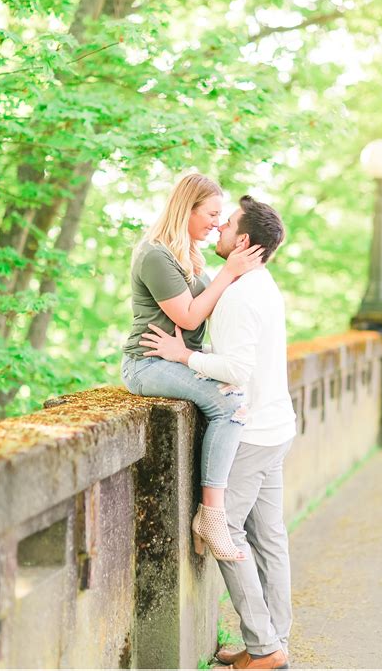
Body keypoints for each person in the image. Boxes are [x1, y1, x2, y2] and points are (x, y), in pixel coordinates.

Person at [139, 196, 296, 670]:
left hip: (250, 432)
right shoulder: (261, 284)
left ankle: (266, 650)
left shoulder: (240, 294)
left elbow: (237, 370)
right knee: (269, 538)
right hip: (278, 426)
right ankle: (272, 640)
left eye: (227, 224)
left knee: (224, 529)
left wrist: (180, 354)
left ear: (243, 241)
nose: (220, 228)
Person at [121, 173, 264, 562]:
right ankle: (212, 517)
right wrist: (229, 272)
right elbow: (187, 316)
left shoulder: (189, 257)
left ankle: (212, 515)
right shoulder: (155, 253)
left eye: (221, 216)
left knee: (235, 398)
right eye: (212, 213)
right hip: (147, 363)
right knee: (231, 405)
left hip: (172, 358)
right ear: (187, 207)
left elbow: (210, 310)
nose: (217, 224)